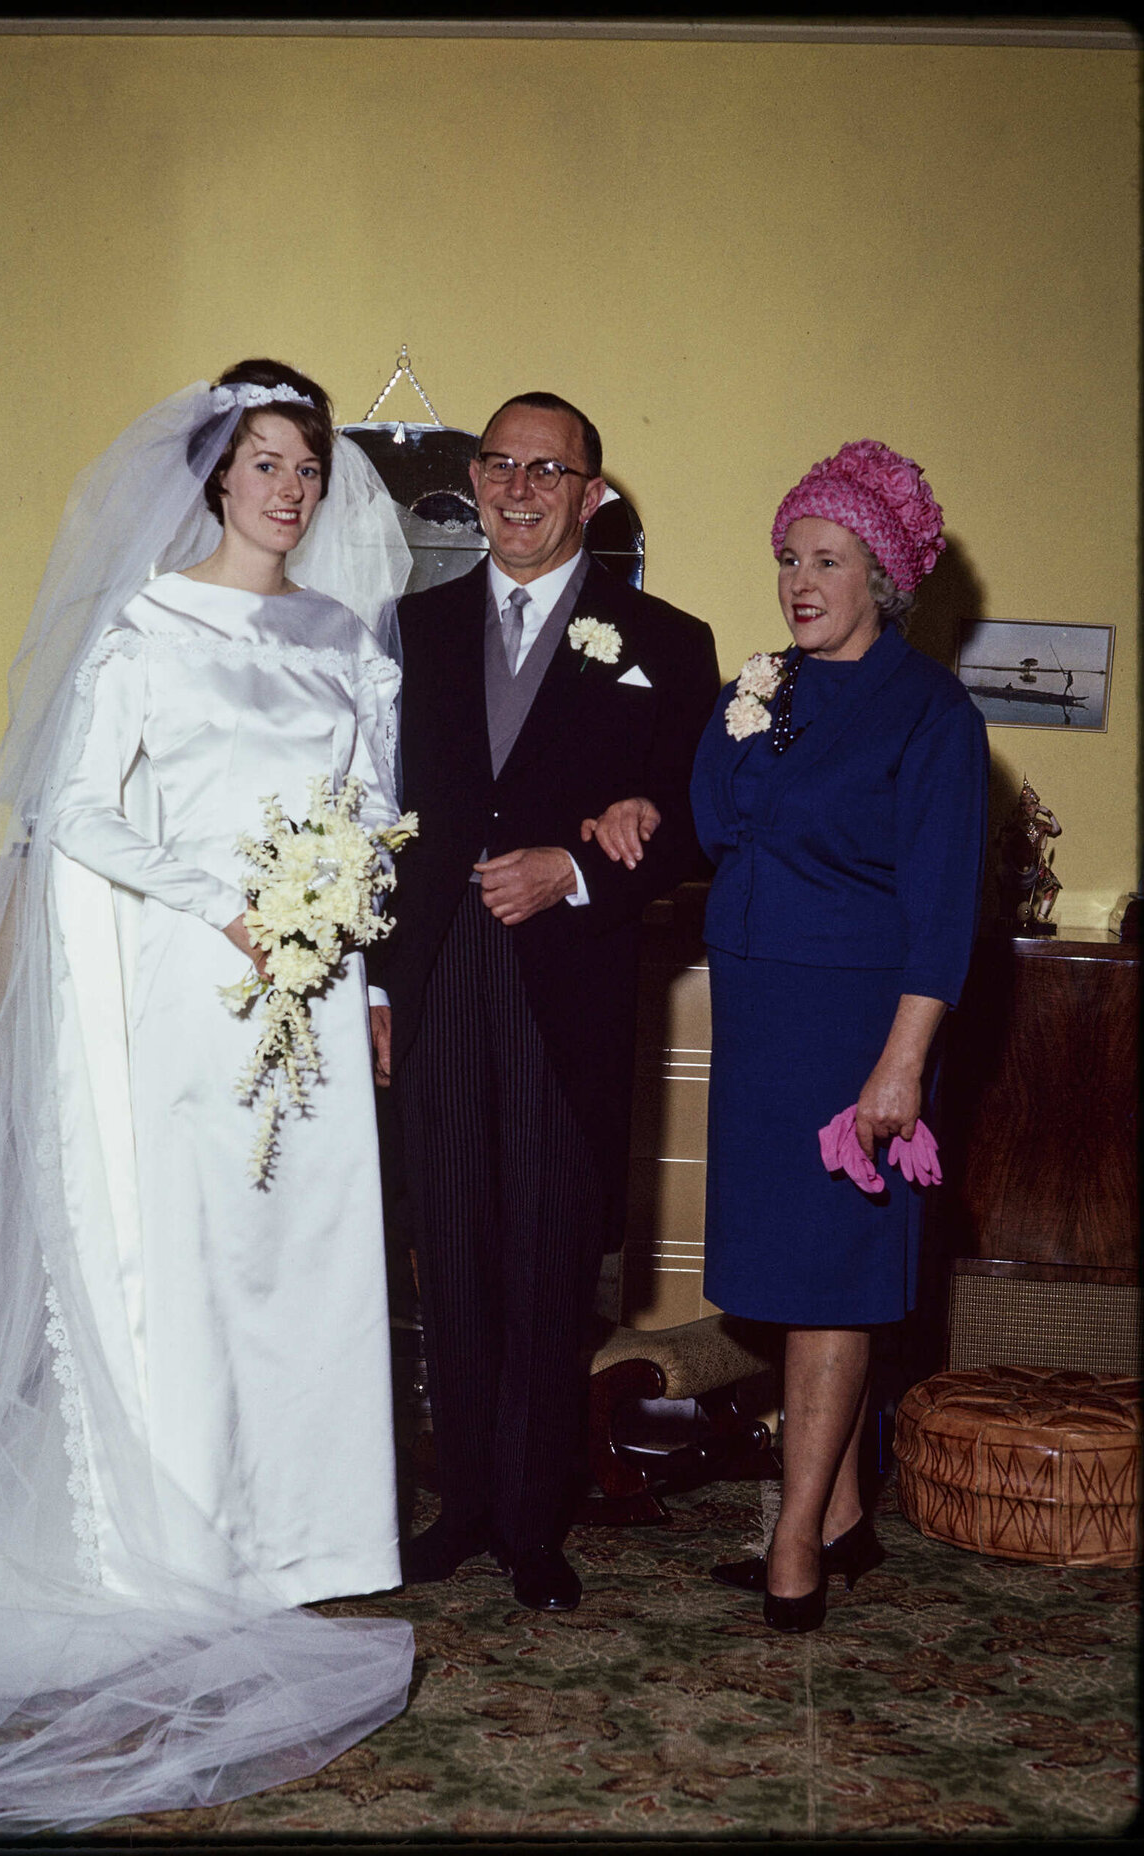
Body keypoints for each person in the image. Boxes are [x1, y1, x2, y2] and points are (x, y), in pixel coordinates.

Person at [0, 360, 415, 1832]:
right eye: (264, 461)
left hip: (315, 978)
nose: (289, 488)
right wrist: (223, 904)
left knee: (309, 1257)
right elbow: (75, 804)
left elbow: (370, 813)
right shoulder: (146, 624)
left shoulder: (345, 637)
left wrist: (352, 958)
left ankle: (309, 1540)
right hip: (194, 982)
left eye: (306, 466)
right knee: (198, 1253)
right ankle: (193, 1540)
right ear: (214, 476)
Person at [370, 391, 719, 1612]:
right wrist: (374, 983)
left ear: (591, 494)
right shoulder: (406, 628)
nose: (519, 488)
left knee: (545, 1257)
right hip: (434, 975)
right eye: (500, 464)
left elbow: (695, 815)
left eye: (547, 469)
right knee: (450, 1249)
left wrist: (575, 865)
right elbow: (364, 811)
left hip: (564, 988)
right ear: (474, 480)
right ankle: (462, 1506)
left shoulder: (665, 639)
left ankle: (531, 1522)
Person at [686, 439, 988, 1632]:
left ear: (884, 576)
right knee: (789, 1278)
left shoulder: (931, 712)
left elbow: (943, 909)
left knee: (831, 1287)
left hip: (854, 1025)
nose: (797, 582)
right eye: (786, 558)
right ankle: (846, 1511)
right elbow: (714, 827)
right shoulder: (761, 688)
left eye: (825, 559)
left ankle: (793, 1546)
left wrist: (900, 1062)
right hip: (758, 1015)